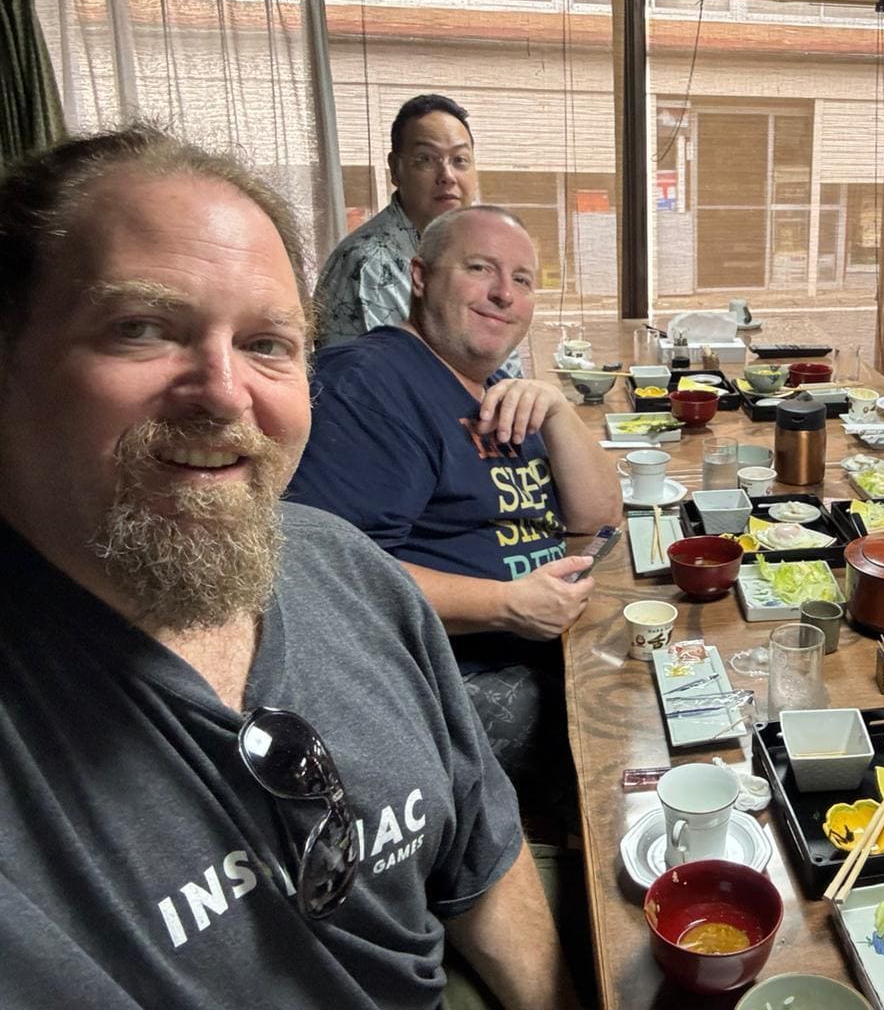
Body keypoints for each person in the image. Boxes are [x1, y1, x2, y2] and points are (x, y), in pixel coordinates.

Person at [0, 126, 568, 1008]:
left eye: (268, 343)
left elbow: (483, 860)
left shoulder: (343, 567)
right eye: (142, 328)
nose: (225, 393)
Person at [288, 205, 622, 808]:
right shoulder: (371, 384)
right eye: (479, 269)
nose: (503, 294)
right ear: (420, 277)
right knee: (640, 740)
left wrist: (557, 409)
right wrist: (509, 605)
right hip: (461, 680)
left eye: (522, 280)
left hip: (552, 639)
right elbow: (327, 574)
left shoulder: (497, 391)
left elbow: (598, 520)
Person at [315, 93, 524, 376]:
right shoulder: (369, 264)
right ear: (396, 169)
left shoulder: (482, 250)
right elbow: (386, 391)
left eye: (460, 160)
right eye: (426, 159)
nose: (447, 175)